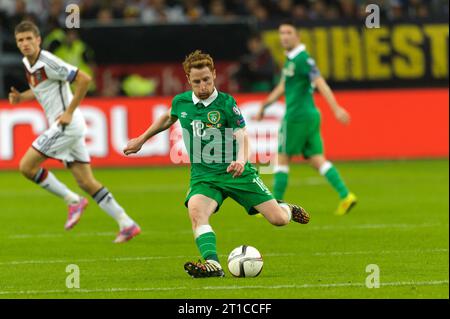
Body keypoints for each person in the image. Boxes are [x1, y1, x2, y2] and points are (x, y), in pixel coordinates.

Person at [123, 50, 310, 278]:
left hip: (237, 173)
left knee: (278, 220)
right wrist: (141, 139)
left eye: (206, 80)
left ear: (214, 75)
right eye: (196, 82)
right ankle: (213, 265)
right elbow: (168, 117)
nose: (202, 86)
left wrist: (241, 159)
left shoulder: (226, 104)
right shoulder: (181, 102)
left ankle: (287, 208)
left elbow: (242, 135)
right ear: (188, 80)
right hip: (204, 177)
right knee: (196, 212)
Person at [9, 21, 140, 243]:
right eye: (21, 40)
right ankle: (126, 223)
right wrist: (22, 97)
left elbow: (84, 79)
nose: (25, 44)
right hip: (66, 125)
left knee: (27, 166)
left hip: (65, 125)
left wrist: (69, 112)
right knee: (86, 182)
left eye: (29, 39)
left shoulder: (48, 61)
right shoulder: (28, 63)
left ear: (38, 40)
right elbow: (41, 87)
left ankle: (73, 201)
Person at [256, 20, 357, 216]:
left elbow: (321, 83)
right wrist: (264, 105)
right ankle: (346, 195)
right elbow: (283, 87)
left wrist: (336, 109)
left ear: (297, 36)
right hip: (310, 115)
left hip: (296, 116)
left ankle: (273, 206)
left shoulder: (302, 59)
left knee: (282, 158)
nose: (284, 36)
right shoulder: (292, 60)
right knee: (316, 159)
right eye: (281, 33)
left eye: (288, 32)